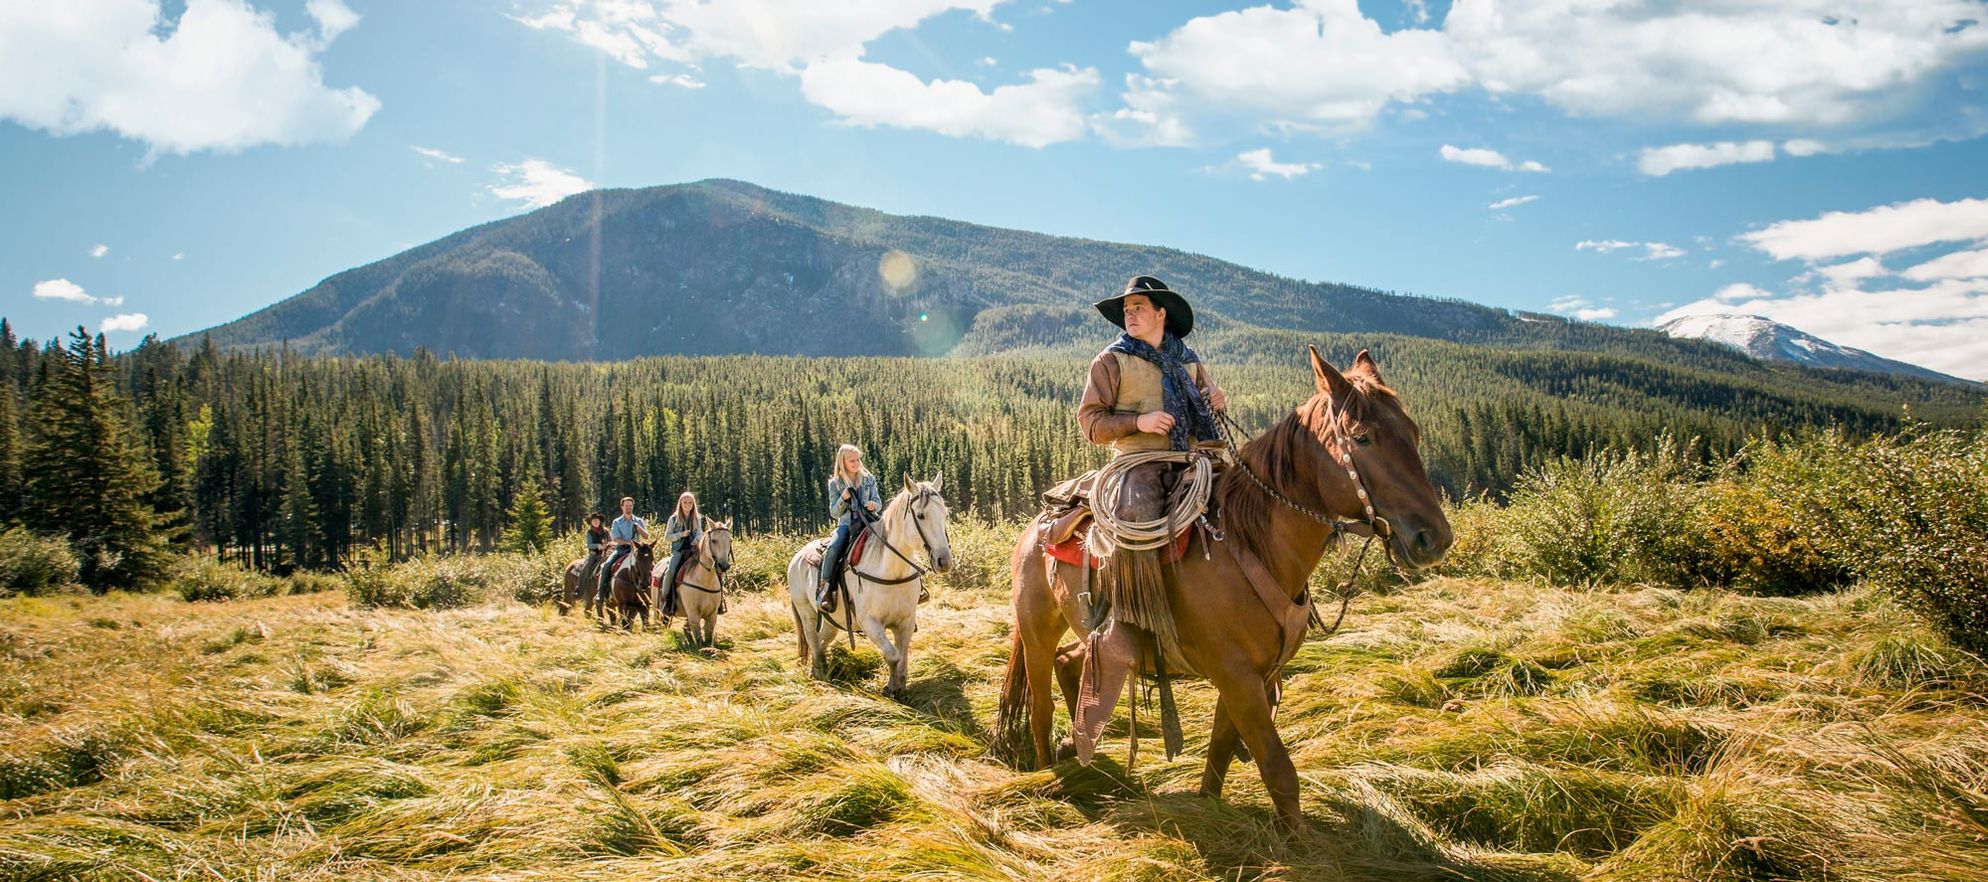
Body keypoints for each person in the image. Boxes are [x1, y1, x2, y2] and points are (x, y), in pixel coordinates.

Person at [817, 443, 881, 614]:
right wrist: (843, 498)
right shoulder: (835, 483)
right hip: (847, 524)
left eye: (858, 459)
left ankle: (915, 587)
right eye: (851, 461)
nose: (856, 463)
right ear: (843, 462)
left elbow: (878, 502)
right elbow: (834, 512)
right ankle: (826, 590)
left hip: (870, 521)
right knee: (833, 548)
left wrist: (874, 504)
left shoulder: (869, 479)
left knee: (895, 538)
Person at [597, 496, 652, 600]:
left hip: (636, 551)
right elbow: (615, 538)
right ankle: (601, 593)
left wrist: (639, 529)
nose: (629, 508)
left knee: (649, 565)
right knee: (607, 565)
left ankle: (653, 591)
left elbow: (646, 536)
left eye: (630, 506)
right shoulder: (617, 522)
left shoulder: (638, 520)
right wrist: (628, 542)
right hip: (621, 550)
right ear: (622, 507)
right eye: (626, 506)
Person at [658, 491, 704, 615]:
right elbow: (667, 537)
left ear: (693, 504)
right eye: (685, 502)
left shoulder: (697, 518)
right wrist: (680, 535)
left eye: (690, 502)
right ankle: (665, 599)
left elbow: (700, 533)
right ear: (680, 503)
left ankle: (718, 600)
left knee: (710, 567)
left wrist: (696, 540)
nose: (687, 505)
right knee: (671, 570)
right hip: (679, 551)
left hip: (694, 551)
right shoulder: (673, 518)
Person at [581, 512, 609, 589]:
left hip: (606, 553)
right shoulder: (589, 532)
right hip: (594, 554)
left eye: (597, 520)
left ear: (600, 521)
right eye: (593, 521)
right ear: (591, 522)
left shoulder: (606, 531)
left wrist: (607, 545)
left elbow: (611, 541)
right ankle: (583, 585)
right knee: (587, 566)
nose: (595, 522)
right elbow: (589, 545)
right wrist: (598, 546)